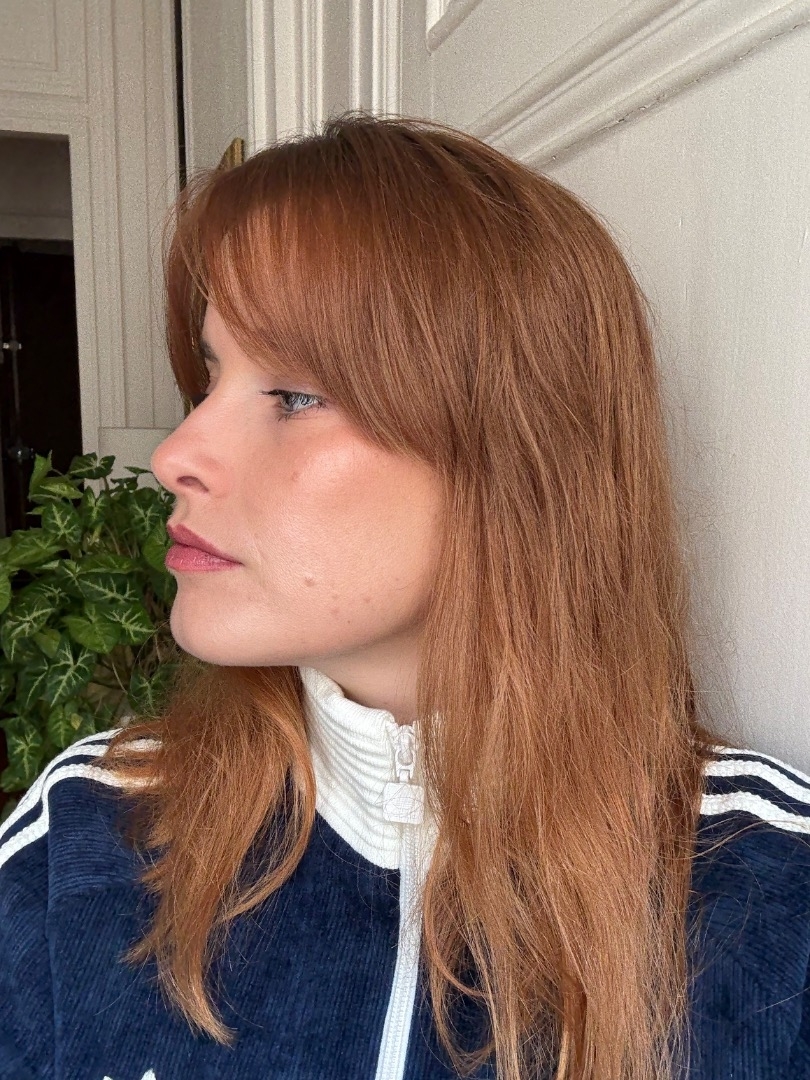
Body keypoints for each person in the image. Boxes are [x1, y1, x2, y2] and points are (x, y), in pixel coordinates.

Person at [1, 110, 809, 1080]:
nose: (176, 454)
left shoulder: (776, 900)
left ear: (516, 460)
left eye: (294, 396)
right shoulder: (83, 835)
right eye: (210, 378)